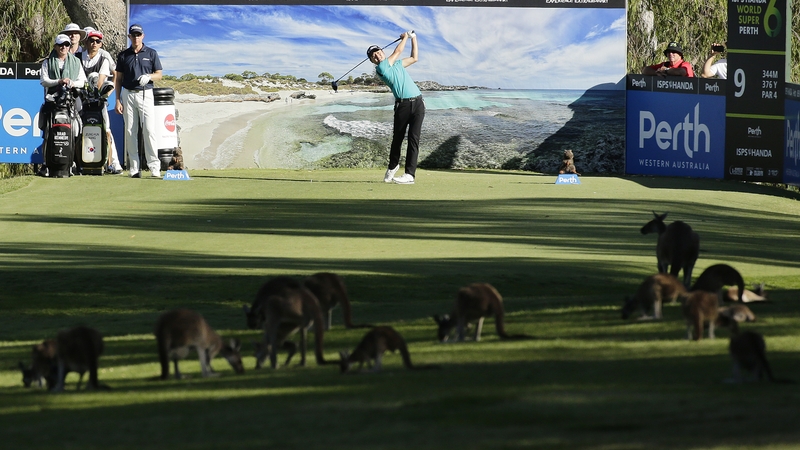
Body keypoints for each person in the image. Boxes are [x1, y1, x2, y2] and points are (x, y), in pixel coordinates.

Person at [367, 30, 425, 185]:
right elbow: (398, 50)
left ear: (382, 51)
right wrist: (405, 37)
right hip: (402, 106)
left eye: (378, 52)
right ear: (373, 61)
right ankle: (393, 166)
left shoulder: (397, 64)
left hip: (418, 103)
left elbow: (414, 58)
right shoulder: (381, 69)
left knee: (414, 139)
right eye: (373, 56)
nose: (377, 55)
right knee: (397, 139)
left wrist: (414, 38)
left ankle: (409, 175)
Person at [114, 24, 163, 178]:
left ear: (143, 36)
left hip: (145, 93)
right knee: (130, 131)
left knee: (149, 130)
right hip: (128, 94)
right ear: (129, 37)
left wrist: (148, 76)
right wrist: (117, 99)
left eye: (138, 35)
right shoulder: (123, 55)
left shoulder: (151, 53)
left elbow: (159, 74)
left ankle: (154, 166)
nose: (136, 37)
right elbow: (118, 79)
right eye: (133, 35)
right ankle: (134, 167)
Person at [39, 34, 86, 176]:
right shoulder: (47, 62)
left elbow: (82, 81)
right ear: (55, 46)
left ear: (69, 47)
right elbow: (44, 80)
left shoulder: (76, 62)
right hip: (52, 101)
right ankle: (46, 165)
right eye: (60, 45)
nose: (63, 47)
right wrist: (59, 81)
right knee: (47, 132)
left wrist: (71, 82)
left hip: (70, 101)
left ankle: (72, 162)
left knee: (76, 130)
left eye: (66, 45)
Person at [78, 30, 123, 174]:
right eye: (91, 41)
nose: (94, 44)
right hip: (81, 99)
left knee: (106, 131)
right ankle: (80, 162)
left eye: (98, 41)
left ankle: (113, 163)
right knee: (79, 130)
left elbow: (101, 80)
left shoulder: (104, 58)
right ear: (86, 42)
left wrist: (107, 94)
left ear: (101, 43)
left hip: (98, 102)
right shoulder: (78, 57)